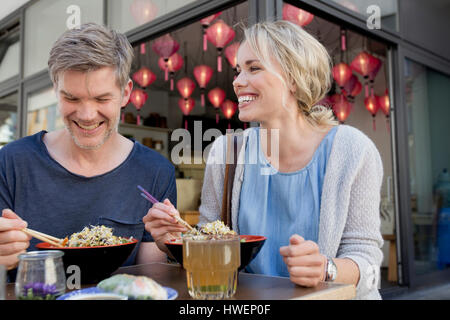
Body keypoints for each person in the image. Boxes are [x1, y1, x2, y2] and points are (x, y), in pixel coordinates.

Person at [143, 20, 384, 300]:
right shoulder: (225, 152)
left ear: (294, 78)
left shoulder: (353, 150)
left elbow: (366, 261)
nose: (237, 81)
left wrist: (325, 269)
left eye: (253, 68)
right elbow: (209, 243)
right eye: (238, 70)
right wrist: (171, 242)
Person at [0, 23, 175, 277]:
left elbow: (148, 282)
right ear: (56, 92)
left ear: (125, 93)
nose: (86, 115)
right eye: (72, 98)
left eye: (102, 99)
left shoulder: (156, 172)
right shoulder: (11, 163)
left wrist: (170, 246)